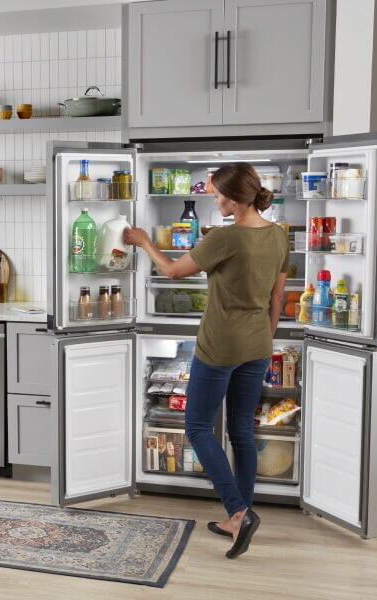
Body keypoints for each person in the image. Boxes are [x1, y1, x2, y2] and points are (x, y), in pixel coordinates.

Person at [124, 162, 288, 559]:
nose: (214, 201)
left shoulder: (225, 237)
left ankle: (238, 512)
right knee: (241, 432)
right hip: (257, 344)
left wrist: (144, 241)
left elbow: (172, 271)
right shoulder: (279, 235)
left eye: (216, 195)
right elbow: (277, 298)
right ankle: (239, 518)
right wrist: (264, 339)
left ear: (233, 199)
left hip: (219, 345)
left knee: (197, 427)